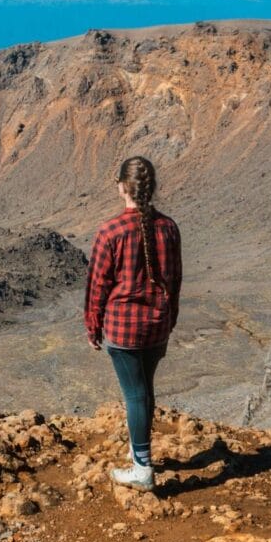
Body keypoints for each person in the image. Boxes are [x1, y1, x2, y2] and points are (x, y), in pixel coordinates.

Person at [83, 155, 183, 492]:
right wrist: (170, 318)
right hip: (157, 324)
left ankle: (142, 468)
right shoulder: (168, 228)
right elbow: (175, 280)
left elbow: (97, 285)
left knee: (136, 395)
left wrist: (93, 326)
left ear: (122, 187)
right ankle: (138, 451)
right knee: (145, 390)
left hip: (124, 329)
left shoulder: (111, 231)